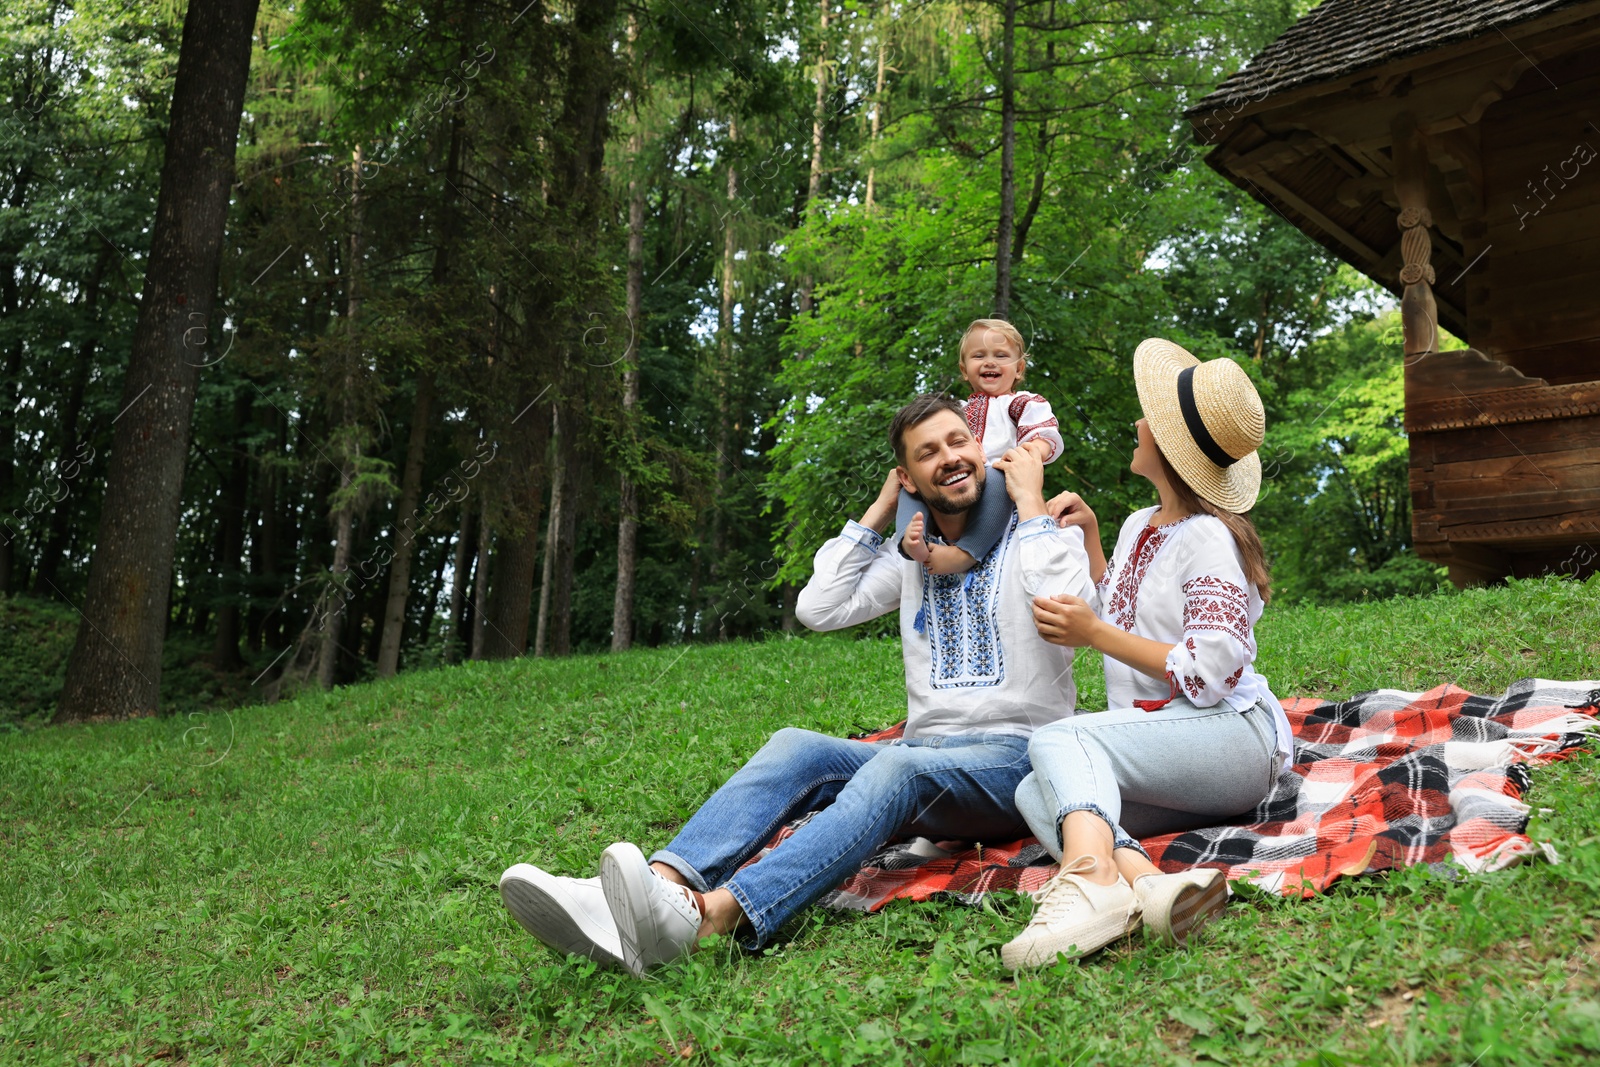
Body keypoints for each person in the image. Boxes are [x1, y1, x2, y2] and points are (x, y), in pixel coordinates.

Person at [499, 394, 1095, 974]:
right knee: (795, 744)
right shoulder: (913, 555)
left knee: (894, 768)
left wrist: (1032, 503)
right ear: (908, 477)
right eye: (928, 452)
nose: (951, 457)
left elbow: (1071, 606)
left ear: (984, 450)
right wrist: (881, 511)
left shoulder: (1037, 532)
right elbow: (820, 607)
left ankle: (708, 918)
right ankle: (656, 890)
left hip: (1017, 758)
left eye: (959, 441)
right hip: (924, 750)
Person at [1000, 338, 1294, 971]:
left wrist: (1091, 634)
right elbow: (1127, 612)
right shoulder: (1141, 523)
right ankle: (1148, 886)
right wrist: (1094, 539)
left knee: (1059, 741)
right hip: (1170, 740)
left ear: (1164, 442)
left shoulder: (1210, 538)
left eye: (1146, 416)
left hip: (1232, 739)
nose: (1136, 422)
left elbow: (1212, 669)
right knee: (1036, 792)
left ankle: (1086, 885)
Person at [896, 319, 1063, 574]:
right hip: (963, 477)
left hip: (1001, 471)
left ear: (1019, 369)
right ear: (964, 370)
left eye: (1000, 355)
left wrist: (1030, 454)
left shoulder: (1021, 403)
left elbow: (1043, 433)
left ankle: (966, 553)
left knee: (997, 477)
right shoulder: (958, 410)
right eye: (978, 355)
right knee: (910, 485)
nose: (989, 362)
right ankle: (910, 541)